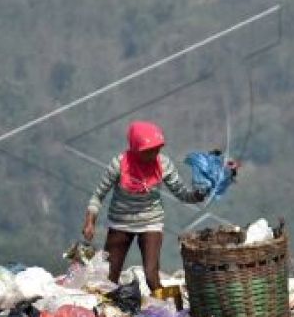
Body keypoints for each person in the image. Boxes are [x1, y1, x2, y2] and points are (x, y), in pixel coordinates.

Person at [82, 121, 206, 294]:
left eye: (157, 150)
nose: (153, 154)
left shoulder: (162, 164)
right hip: (120, 223)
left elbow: (181, 193)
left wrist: (198, 195)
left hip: (151, 223)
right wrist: (90, 222)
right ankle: (108, 313)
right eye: (148, 151)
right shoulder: (119, 164)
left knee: (151, 276)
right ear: (135, 149)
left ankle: (171, 308)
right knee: (109, 277)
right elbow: (98, 195)